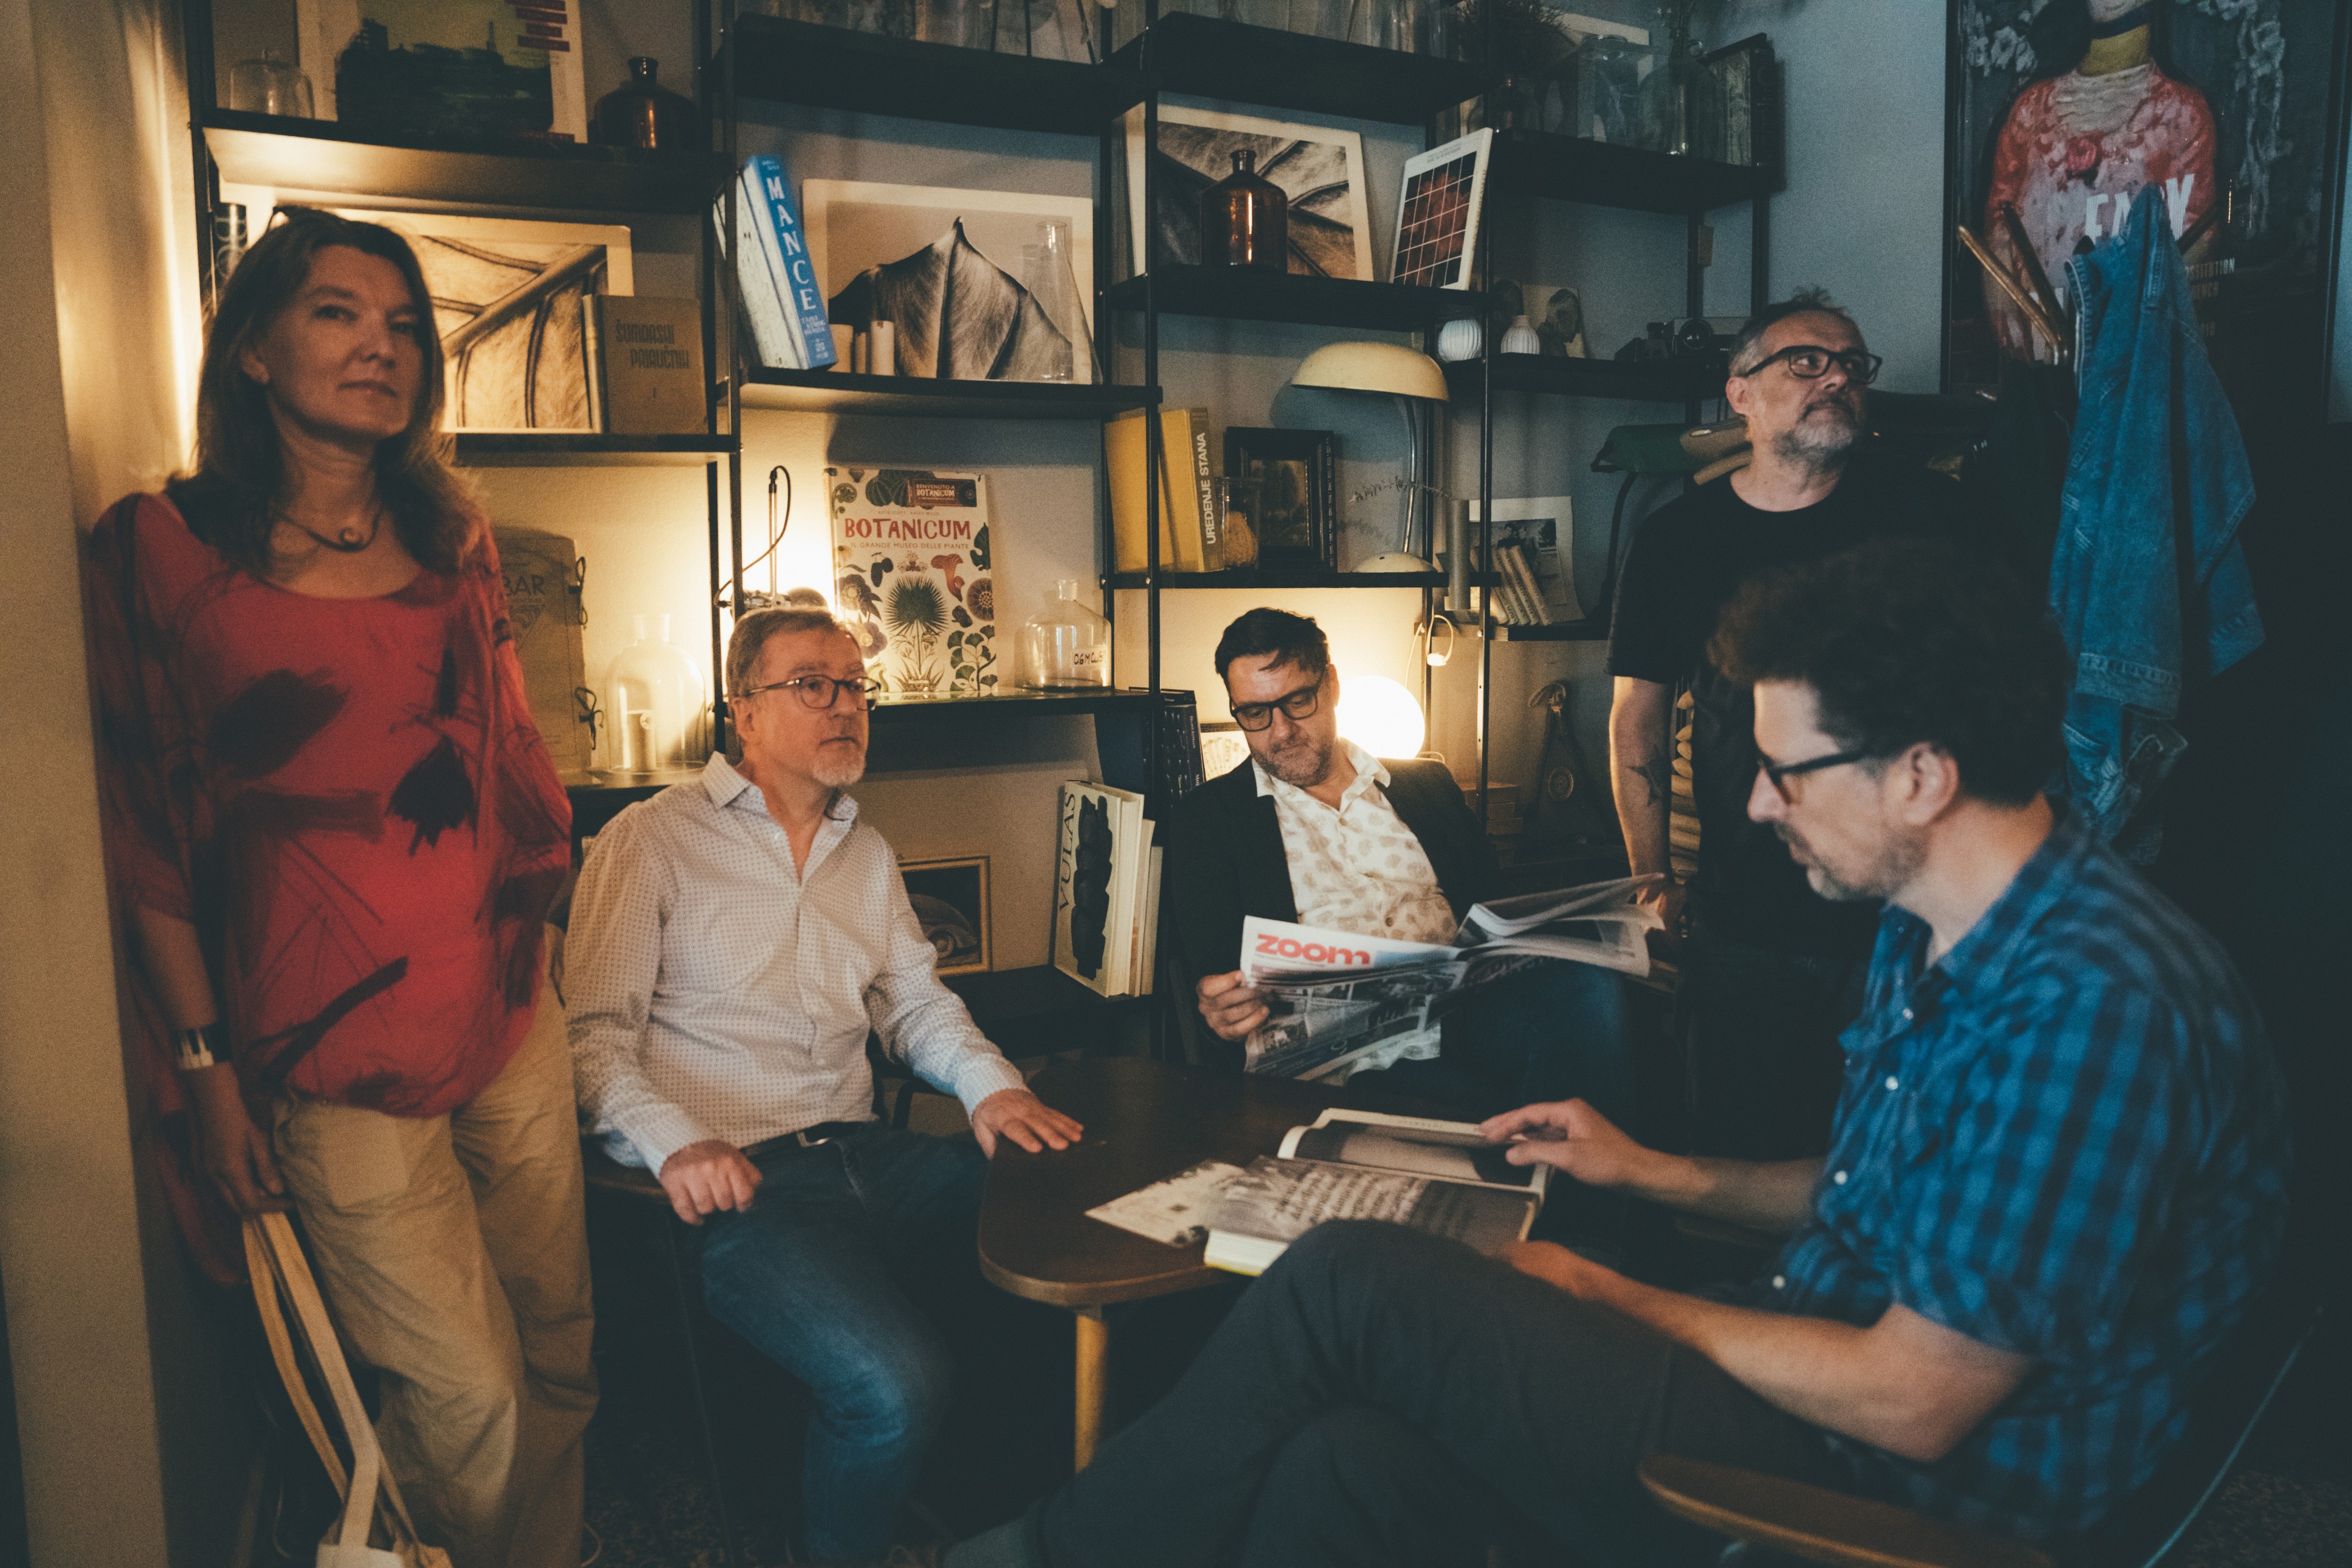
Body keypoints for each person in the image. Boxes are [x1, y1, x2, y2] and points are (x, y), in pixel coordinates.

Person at [941, 539, 2289, 1568]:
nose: (1754, 806)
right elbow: (1868, 1192)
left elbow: (1916, 1401)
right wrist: (1650, 1171)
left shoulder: (2096, 1005)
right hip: (1797, 1355)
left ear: (1922, 776)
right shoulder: (1930, 920)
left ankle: (1037, 1559)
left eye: (1786, 772)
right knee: (1341, 1466)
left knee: (1350, 1279)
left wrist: (1607, 1292)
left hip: (1881, 1491)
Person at [80, 209, 593, 1568]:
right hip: (330, 1055)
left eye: (405, 325)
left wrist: (545, 917)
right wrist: (206, 1069)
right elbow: (146, 836)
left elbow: (510, 755)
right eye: (336, 313)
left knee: (558, 1347)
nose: (382, 345)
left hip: (508, 1012)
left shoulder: (454, 541)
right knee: (470, 1400)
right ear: (253, 348)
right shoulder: (163, 555)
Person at [565, 607, 1086, 1568]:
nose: (844, 705)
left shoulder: (866, 853)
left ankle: (1014, 1526)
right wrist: (676, 1143)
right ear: (744, 711)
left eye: (855, 686)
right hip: (743, 1191)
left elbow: (917, 1008)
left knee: (1071, 1231)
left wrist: (992, 1090)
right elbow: (592, 1042)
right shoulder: (649, 840)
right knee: (894, 1384)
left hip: (870, 1155)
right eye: (812, 684)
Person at [1606, 289, 1960, 1158]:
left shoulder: (1931, 516)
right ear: (1740, 393)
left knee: (1901, 1163)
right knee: (1741, 1156)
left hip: (1906, 911)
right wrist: (1651, 878)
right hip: (1743, 921)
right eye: (1805, 361)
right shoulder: (1676, 540)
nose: (1835, 378)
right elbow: (1636, 720)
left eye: (1851, 365)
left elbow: (1989, 690)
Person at [1167, 608, 1632, 1129]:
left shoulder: (1425, 785)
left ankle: (1593, 1168)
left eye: (1297, 702)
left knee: (1591, 984)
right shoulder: (1208, 819)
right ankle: (1555, 1169)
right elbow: (1214, 980)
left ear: (1332, 684)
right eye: (1255, 713)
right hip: (1348, 1061)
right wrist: (1220, 1010)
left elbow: (1495, 912)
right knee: (1484, 1101)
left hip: (1466, 1016)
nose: (1281, 732)